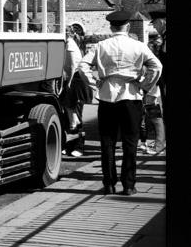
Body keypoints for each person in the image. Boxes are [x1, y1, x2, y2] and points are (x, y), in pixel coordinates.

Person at [78, 10, 162, 196]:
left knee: (107, 143)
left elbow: (82, 66)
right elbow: (157, 66)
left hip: (107, 97)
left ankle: (108, 183)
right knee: (130, 143)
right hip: (131, 96)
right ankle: (129, 185)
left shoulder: (101, 46)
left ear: (111, 26)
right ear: (128, 26)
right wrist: (145, 85)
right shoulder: (138, 46)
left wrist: (96, 83)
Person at [62, 26, 88, 157]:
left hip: (76, 81)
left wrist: (69, 82)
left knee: (76, 115)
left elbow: (73, 66)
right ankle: (70, 145)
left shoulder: (70, 45)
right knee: (70, 114)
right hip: (74, 80)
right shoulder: (68, 44)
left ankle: (80, 147)